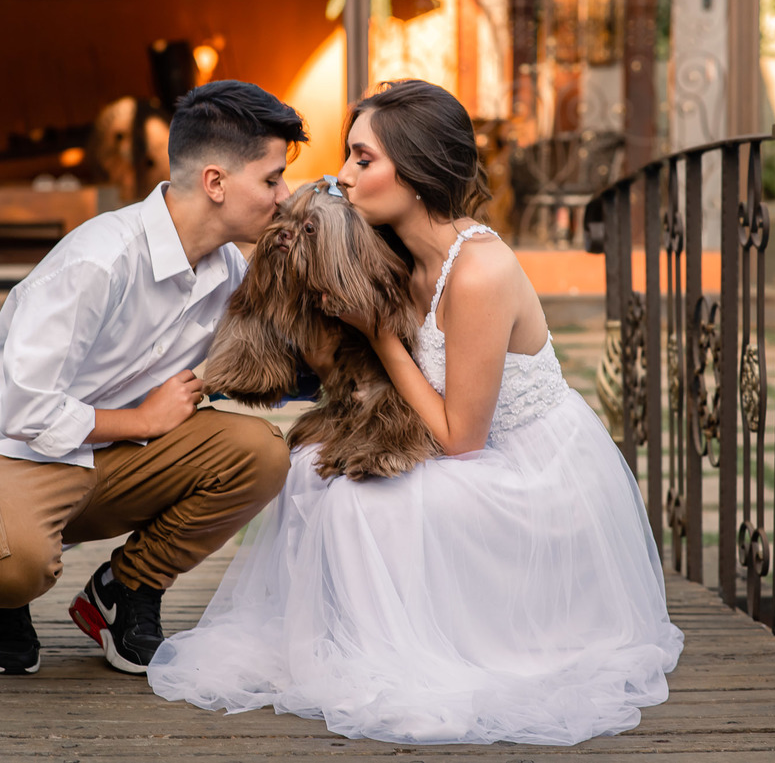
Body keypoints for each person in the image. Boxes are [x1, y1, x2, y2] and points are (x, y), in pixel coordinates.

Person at [146, 80, 684, 745]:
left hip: (520, 471)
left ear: (419, 170)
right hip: (449, 444)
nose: (343, 176)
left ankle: (402, 654)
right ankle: (342, 644)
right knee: (307, 469)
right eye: (347, 156)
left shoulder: (479, 271)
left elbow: (462, 438)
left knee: (358, 505)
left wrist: (379, 334)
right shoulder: (389, 253)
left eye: (363, 159)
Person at [0, 80, 308, 677]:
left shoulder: (229, 270)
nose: (285, 198)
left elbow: (280, 368)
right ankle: (0, 603)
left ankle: (124, 589)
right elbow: (25, 411)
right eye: (272, 179)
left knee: (259, 454)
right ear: (215, 182)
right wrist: (143, 419)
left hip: (114, 460)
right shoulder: (99, 259)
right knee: (11, 565)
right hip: (7, 455)